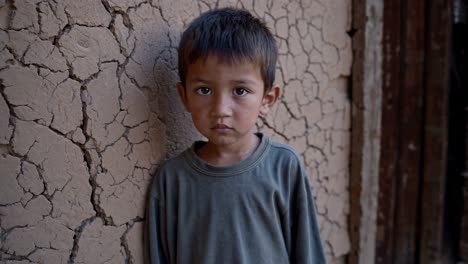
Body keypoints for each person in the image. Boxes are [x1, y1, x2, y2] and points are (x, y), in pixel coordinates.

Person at [147, 7, 326, 264]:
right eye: (205, 90)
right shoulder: (172, 179)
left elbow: (307, 254)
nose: (221, 109)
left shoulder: (284, 167)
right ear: (184, 95)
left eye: (240, 91)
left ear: (267, 99)